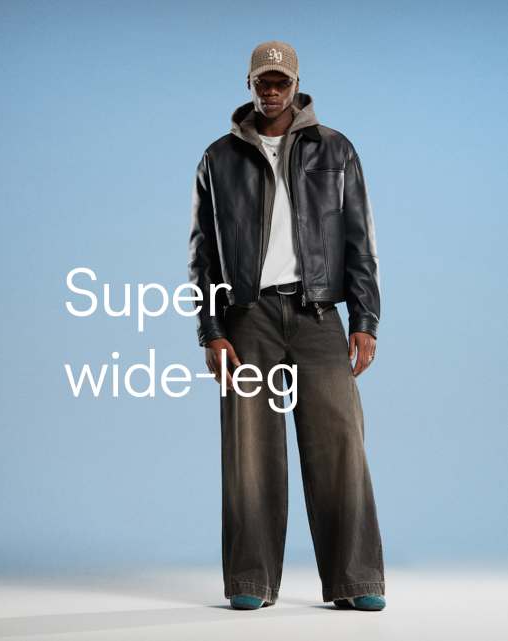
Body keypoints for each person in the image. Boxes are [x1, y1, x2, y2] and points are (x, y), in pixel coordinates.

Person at [188, 40, 386, 612]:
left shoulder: (335, 149)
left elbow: (360, 240)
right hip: (248, 319)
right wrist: (211, 330)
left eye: (281, 82)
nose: (272, 91)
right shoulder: (218, 158)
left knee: (341, 444)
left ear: (296, 85)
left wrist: (365, 318)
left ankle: (355, 579)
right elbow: (203, 256)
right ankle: (250, 580)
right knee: (249, 451)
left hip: (318, 315)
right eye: (263, 82)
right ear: (249, 84)